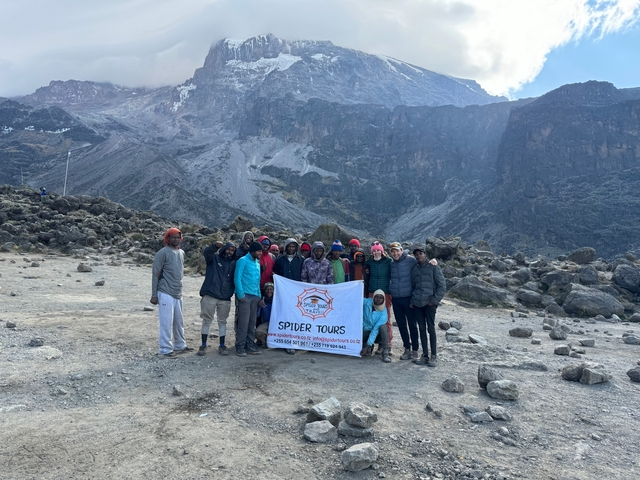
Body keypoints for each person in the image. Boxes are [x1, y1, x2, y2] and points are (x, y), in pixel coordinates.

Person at [150, 228, 193, 358]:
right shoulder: (162, 253)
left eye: (177, 237)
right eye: (172, 237)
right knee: (166, 322)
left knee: (179, 321)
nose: (175, 239)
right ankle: (165, 349)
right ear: (167, 238)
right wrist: (154, 294)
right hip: (165, 291)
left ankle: (180, 344)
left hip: (177, 291)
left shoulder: (181, 253)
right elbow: (156, 274)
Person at [197, 241, 236, 357]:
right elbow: (207, 252)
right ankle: (203, 345)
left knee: (222, 321)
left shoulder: (234, 264)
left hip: (225, 297)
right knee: (207, 320)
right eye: (228, 249)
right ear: (224, 249)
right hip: (210, 294)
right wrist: (215, 246)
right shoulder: (213, 259)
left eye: (232, 250)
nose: (230, 252)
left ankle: (222, 345)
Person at [410, 245, 446, 367]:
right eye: (416, 254)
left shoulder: (433, 267)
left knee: (431, 328)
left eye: (420, 253)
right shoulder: (414, 269)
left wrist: (434, 300)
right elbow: (413, 286)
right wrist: (412, 300)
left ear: (425, 254)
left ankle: (433, 356)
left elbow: (442, 285)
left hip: (429, 304)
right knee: (421, 329)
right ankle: (424, 355)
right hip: (417, 303)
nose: (418, 256)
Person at [389, 241, 420, 361]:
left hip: (408, 298)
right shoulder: (391, 264)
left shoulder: (411, 260)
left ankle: (415, 350)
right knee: (401, 325)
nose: (395, 253)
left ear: (402, 250)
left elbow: (422, 264)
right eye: (393, 251)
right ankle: (407, 348)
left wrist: (433, 261)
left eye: (397, 251)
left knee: (412, 324)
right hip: (396, 298)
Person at [273, 238, 304, 354]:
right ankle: (286, 342)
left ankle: (297, 341)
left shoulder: (301, 260)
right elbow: (276, 273)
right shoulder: (280, 260)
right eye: (289, 246)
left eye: (293, 246)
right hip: (283, 294)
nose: (291, 249)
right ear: (286, 247)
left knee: (296, 317)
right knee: (285, 316)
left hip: (297, 294)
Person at [234, 241, 264, 357]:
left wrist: (259, 296)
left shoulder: (257, 262)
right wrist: (241, 296)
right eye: (258, 251)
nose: (260, 253)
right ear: (252, 251)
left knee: (252, 323)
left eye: (261, 251)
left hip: (254, 297)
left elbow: (257, 280)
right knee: (243, 323)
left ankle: (249, 345)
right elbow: (237, 278)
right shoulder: (242, 261)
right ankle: (240, 346)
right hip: (245, 296)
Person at [364, 241, 393, 353]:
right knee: (370, 318)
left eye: (378, 250)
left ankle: (386, 344)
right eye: (374, 250)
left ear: (382, 251)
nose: (376, 252)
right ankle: (370, 344)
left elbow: (399, 261)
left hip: (385, 293)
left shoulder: (388, 261)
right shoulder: (369, 263)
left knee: (386, 319)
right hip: (372, 293)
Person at [360, 290, 391, 363]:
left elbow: (375, 330)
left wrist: (368, 345)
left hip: (377, 335)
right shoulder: (367, 302)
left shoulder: (383, 312)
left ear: (384, 299)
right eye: (376, 297)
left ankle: (385, 352)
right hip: (365, 331)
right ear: (373, 297)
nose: (378, 299)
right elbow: (356, 299)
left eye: (381, 297)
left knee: (383, 327)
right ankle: (368, 346)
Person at [255, 282, 274, 347]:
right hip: (266, 323)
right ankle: (267, 342)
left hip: (276, 323)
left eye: (271, 289)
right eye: (267, 289)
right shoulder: (262, 300)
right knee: (258, 332)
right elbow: (257, 315)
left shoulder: (277, 300)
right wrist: (259, 306)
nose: (269, 291)